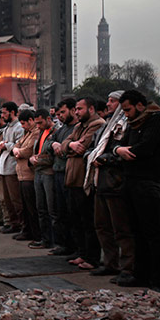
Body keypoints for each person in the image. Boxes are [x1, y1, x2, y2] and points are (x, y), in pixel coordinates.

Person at [114, 89, 160, 293]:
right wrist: (119, 151)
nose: (126, 114)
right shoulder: (135, 122)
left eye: (128, 109)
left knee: (152, 231)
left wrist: (124, 151)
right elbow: (120, 146)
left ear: (140, 105)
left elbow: (144, 148)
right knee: (136, 231)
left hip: (148, 181)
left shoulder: (158, 119)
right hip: (132, 180)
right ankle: (141, 274)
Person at [84, 90, 135, 283]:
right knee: (102, 226)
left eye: (113, 101)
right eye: (108, 100)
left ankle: (128, 267)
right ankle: (110, 263)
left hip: (115, 182)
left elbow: (127, 153)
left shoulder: (127, 126)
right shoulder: (107, 126)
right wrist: (92, 157)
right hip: (101, 181)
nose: (109, 104)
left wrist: (104, 159)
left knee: (121, 228)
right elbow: (95, 147)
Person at [62, 97, 105, 269]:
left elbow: (85, 146)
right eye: (76, 109)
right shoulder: (79, 126)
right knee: (76, 219)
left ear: (91, 109)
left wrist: (70, 147)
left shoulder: (97, 124)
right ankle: (82, 253)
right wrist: (71, 145)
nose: (77, 112)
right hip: (73, 178)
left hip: (84, 180)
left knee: (88, 220)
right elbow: (67, 144)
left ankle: (92, 257)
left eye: (80, 109)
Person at [48, 99, 77, 256]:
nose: (59, 116)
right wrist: (54, 145)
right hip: (58, 172)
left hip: (70, 173)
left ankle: (74, 247)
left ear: (73, 110)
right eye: (58, 114)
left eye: (63, 113)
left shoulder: (77, 128)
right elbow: (49, 143)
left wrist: (62, 146)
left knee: (71, 212)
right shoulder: (61, 129)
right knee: (60, 211)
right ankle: (63, 244)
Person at [29, 108, 57, 249]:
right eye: (36, 123)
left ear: (48, 119)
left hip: (48, 173)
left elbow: (53, 155)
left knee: (51, 209)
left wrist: (37, 160)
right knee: (41, 208)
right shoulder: (41, 132)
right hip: (38, 172)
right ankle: (45, 239)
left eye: (40, 123)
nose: (38, 126)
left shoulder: (55, 132)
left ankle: (55, 241)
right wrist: (33, 158)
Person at [12, 110, 41, 242]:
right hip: (21, 174)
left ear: (31, 120)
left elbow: (29, 150)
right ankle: (27, 230)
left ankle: (35, 234)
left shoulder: (35, 132)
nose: (22, 126)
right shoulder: (27, 132)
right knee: (24, 206)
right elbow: (17, 145)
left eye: (24, 123)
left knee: (31, 207)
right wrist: (17, 150)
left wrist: (18, 151)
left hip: (29, 175)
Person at [0, 102, 25, 234]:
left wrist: (6, 145)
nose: (2, 116)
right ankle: (12, 223)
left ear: (12, 112)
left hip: (12, 166)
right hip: (4, 166)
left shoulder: (19, 127)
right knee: (7, 199)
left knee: (15, 199)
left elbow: (19, 145)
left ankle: (20, 224)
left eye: (4, 113)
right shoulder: (6, 128)